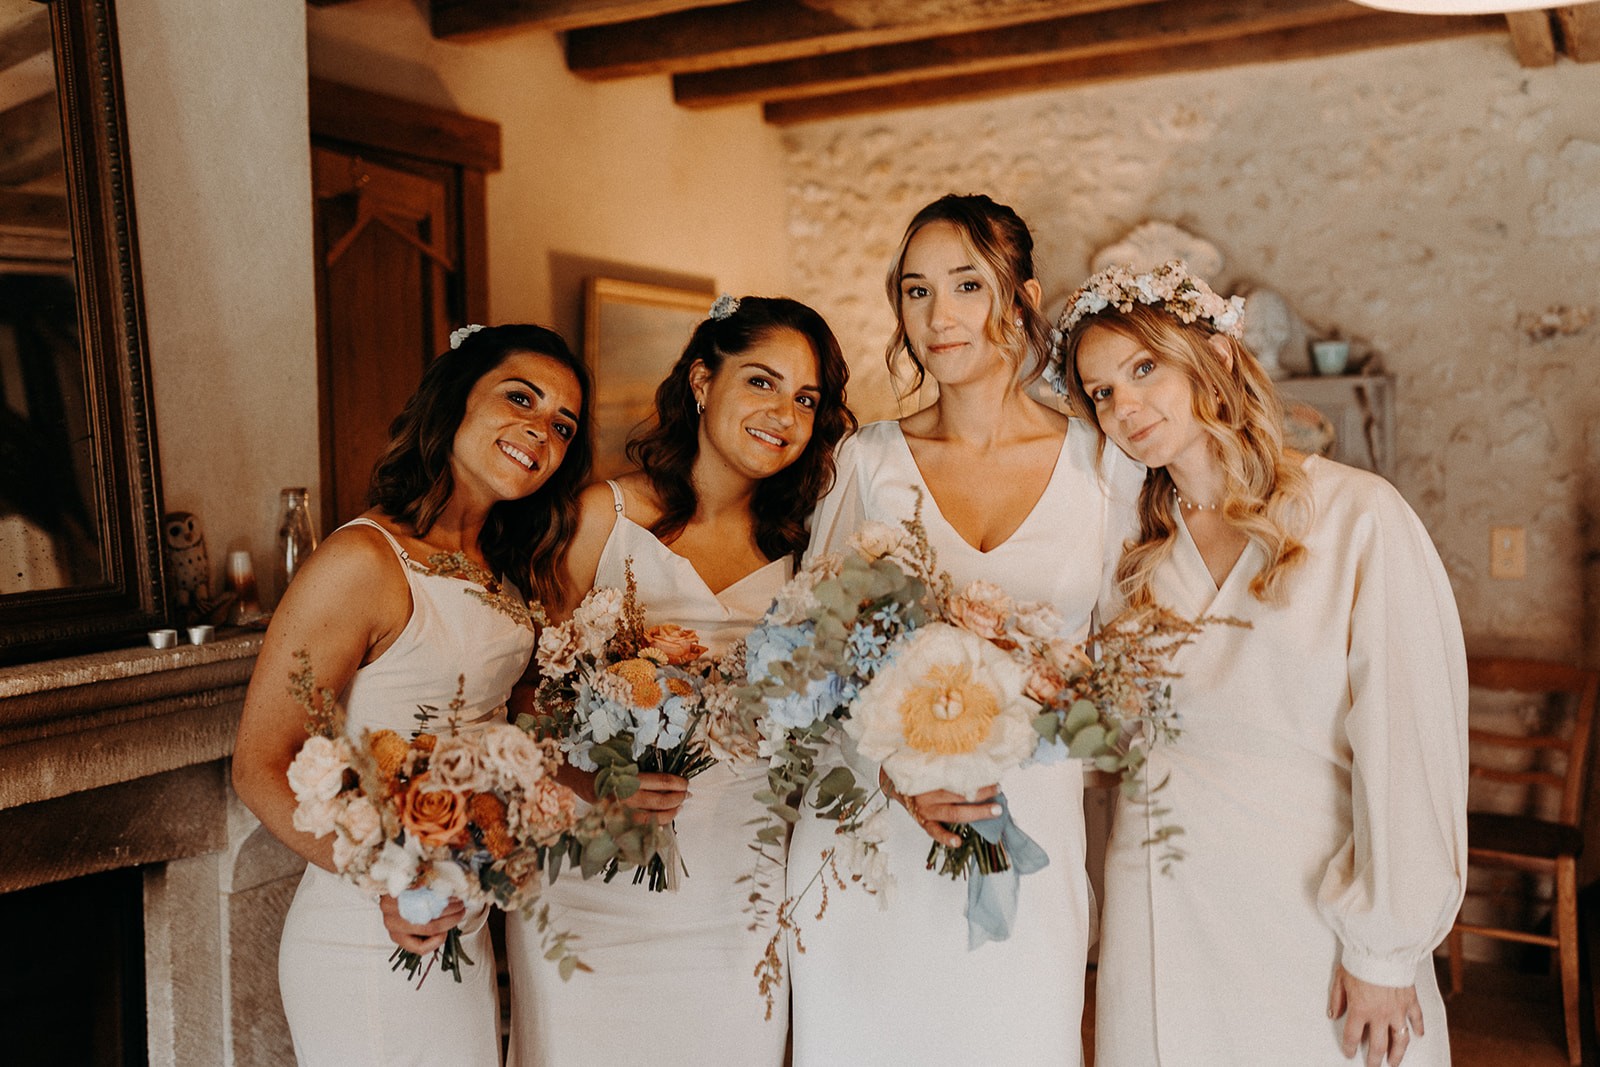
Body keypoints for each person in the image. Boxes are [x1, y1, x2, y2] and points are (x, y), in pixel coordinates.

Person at [1060, 260, 1468, 1067]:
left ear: (1208, 357)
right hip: (1162, 909)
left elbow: (1409, 748)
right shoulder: (1123, 556)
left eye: (1144, 368)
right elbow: (1105, 745)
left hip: (1313, 912)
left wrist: (1384, 949)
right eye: (1102, 392)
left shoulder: (1358, 517)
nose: (1126, 407)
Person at [788, 194, 1141, 1066]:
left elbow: (1130, 668)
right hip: (872, 839)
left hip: (1030, 837)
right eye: (915, 291)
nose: (938, 317)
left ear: (1022, 295)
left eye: (966, 285)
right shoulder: (865, 462)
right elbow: (807, 659)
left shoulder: (1106, 465)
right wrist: (897, 768)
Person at [505, 295, 855, 1067]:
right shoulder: (606, 513)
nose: (784, 415)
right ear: (702, 379)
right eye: (761, 382)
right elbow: (522, 690)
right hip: (593, 875)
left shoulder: (804, 548)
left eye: (806, 399)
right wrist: (591, 779)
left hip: (740, 883)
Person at [232, 324, 593, 1067]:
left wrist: (609, 787)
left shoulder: (503, 569)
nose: (541, 431)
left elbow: (511, 733)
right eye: (519, 397)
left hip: (458, 922)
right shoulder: (361, 559)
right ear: (457, 399)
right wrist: (390, 881)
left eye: (563, 424)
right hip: (367, 928)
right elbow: (260, 763)